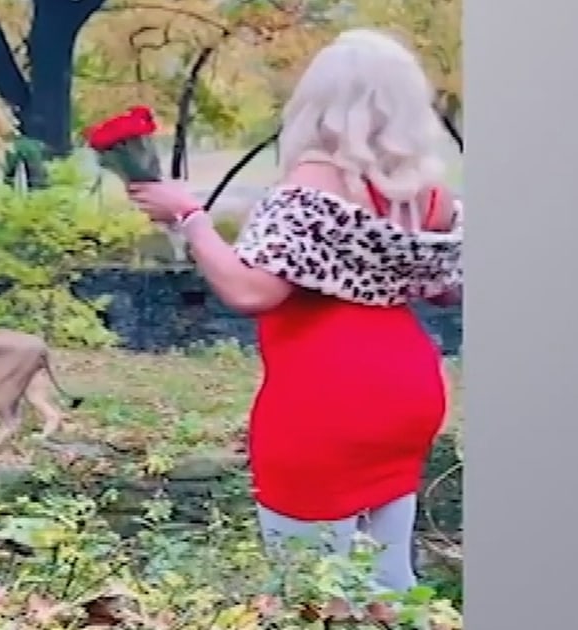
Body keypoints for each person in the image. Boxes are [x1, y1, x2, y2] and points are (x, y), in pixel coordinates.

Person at [126, 28, 463, 595]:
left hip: (326, 398)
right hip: (408, 388)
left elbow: (253, 291)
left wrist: (190, 217)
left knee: (307, 588)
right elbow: (446, 290)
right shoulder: (430, 195)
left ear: (320, 102)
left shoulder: (309, 187)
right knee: (389, 579)